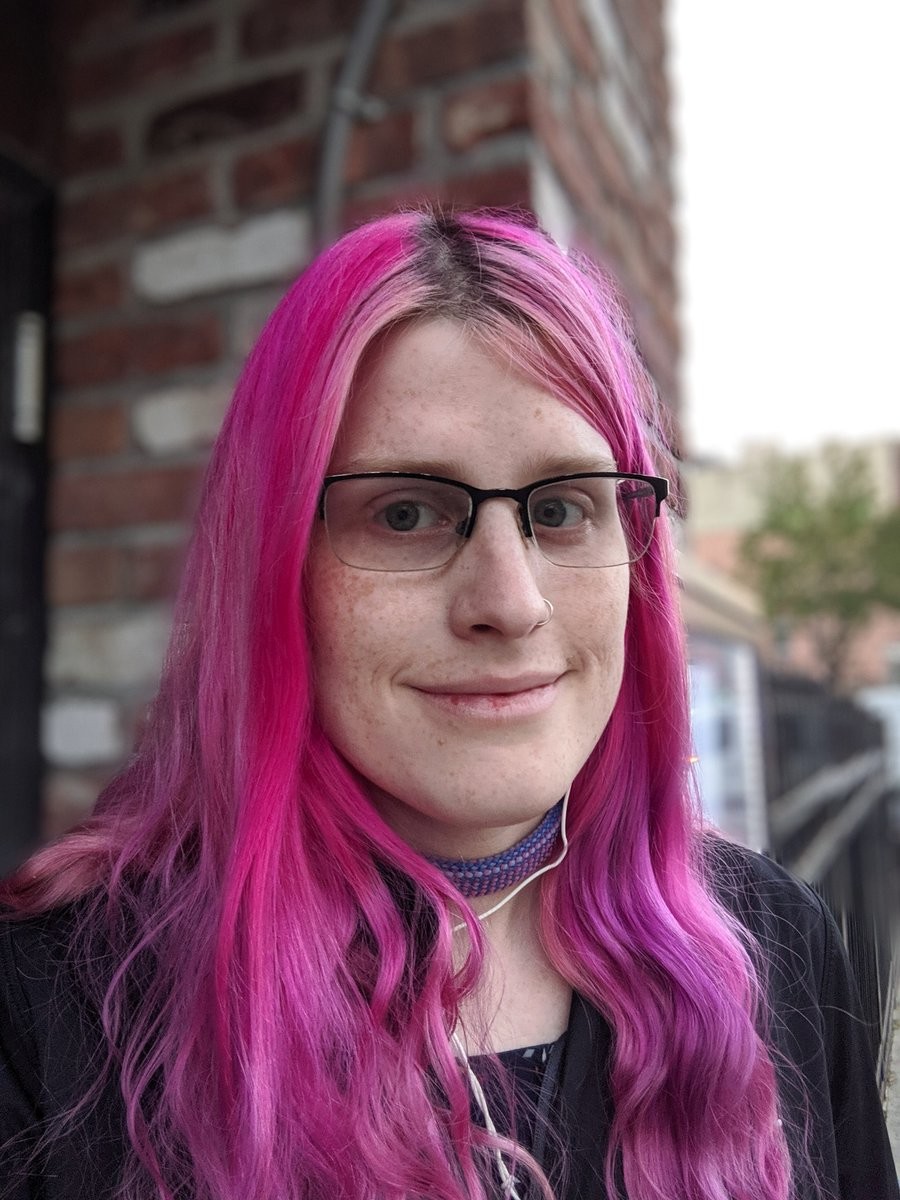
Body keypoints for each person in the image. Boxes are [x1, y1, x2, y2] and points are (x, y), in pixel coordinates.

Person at [0, 210, 896, 1200]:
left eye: (560, 508)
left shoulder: (776, 952)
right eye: (407, 511)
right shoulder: (55, 1017)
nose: (510, 603)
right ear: (274, 563)